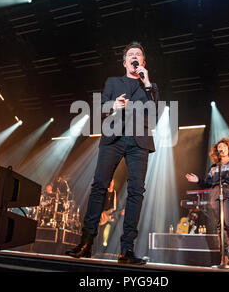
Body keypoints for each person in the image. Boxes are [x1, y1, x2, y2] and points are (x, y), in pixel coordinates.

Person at [66, 41, 160, 265]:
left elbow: (155, 109)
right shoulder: (113, 82)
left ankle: (127, 249)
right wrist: (113, 106)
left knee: (136, 192)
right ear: (124, 61)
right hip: (114, 138)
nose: (134, 57)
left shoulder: (150, 85)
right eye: (130, 54)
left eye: (138, 54)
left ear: (143, 62)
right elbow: (101, 107)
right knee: (99, 186)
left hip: (139, 141)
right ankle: (86, 243)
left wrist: (146, 81)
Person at [186, 137, 229, 269]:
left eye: (223, 146)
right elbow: (207, 183)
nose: (221, 149)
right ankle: (224, 258)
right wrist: (198, 179)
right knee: (220, 226)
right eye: (218, 147)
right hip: (216, 195)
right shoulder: (214, 167)